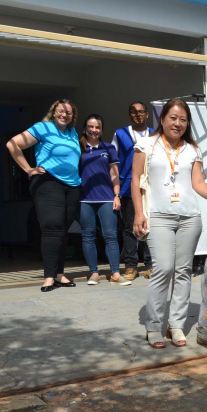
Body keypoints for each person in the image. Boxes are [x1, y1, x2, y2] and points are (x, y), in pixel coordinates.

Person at [132, 98, 207, 349]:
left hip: (190, 217)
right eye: (173, 118)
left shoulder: (193, 148)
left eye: (183, 119)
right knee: (163, 269)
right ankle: (153, 326)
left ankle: (177, 324)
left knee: (183, 271)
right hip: (158, 215)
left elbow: (198, 183)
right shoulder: (146, 145)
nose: (177, 123)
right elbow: (136, 180)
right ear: (162, 118)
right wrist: (138, 214)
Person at [6, 99, 82, 292]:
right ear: (53, 112)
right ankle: (49, 277)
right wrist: (28, 169)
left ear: (73, 116)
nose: (64, 115)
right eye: (60, 111)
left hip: (72, 186)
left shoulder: (72, 133)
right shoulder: (42, 128)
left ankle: (59, 274)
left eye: (68, 112)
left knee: (63, 229)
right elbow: (12, 144)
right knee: (52, 227)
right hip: (48, 182)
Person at [78, 114, 130, 286]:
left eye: (98, 127)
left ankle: (115, 273)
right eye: (91, 127)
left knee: (111, 236)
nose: (94, 130)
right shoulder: (79, 147)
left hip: (107, 198)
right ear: (85, 128)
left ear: (101, 129)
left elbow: (114, 174)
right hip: (85, 199)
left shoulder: (108, 148)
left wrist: (117, 195)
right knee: (88, 236)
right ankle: (94, 273)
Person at [112, 102, 154, 281]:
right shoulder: (120, 134)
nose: (137, 115)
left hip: (151, 187)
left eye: (141, 112)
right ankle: (130, 266)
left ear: (146, 114)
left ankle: (151, 265)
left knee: (151, 226)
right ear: (130, 115)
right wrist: (116, 190)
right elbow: (113, 162)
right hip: (129, 187)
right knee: (130, 228)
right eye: (134, 112)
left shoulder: (155, 134)